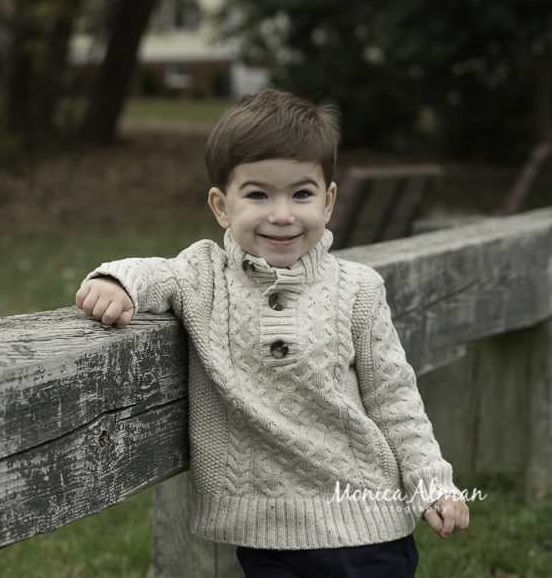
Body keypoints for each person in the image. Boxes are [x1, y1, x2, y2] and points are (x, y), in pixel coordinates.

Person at [75, 89, 469, 578]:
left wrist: (431, 482)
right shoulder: (205, 275)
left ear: (328, 201)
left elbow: (394, 397)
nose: (282, 214)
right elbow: (153, 272)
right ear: (222, 206)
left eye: (301, 194)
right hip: (266, 535)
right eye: (258, 195)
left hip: (367, 525)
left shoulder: (358, 288)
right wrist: (115, 281)